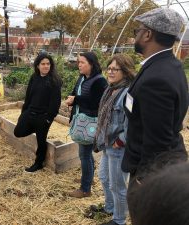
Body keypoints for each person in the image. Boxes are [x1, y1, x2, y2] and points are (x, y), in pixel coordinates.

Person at [121, 7, 189, 219]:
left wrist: (145, 180)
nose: (136, 35)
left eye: (138, 31)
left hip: (152, 171)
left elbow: (157, 140)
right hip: (163, 162)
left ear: (148, 34)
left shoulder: (156, 78)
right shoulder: (168, 65)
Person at [91, 54, 136, 225]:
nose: (110, 71)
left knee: (117, 186)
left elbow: (132, 122)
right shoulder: (110, 89)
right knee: (104, 178)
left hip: (118, 147)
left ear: (125, 71)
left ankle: (119, 220)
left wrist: (120, 141)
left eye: (115, 69)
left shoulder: (128, 93)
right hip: (107, 144)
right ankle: (109, 208)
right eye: (109, 68)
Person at [66, 52, 108, 198]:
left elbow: (97, 103)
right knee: (85, 153)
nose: (79, 65)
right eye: (78, 62)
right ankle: (88, 178)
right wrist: (72, 99)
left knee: (84, 154)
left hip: (90, 122)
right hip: (81, 120)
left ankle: (85, 189)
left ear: (91, 64)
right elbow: (75, 94)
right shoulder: (83, 77)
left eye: (82, 62)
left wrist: (76, 100)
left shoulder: (100, 81)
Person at [14, 53, 62, 173]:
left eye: (48, 64)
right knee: (18, 131)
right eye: (43, 64)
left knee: (41, 142)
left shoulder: (54, 81)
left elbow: (55, 103)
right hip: (30, 112)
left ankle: (38, 163)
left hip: (43, 117)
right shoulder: (34, 77)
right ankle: (36, 128)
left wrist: (47, 120)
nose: (46, 66)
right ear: (37, 65)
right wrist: (23, 113)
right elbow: (28, 96)